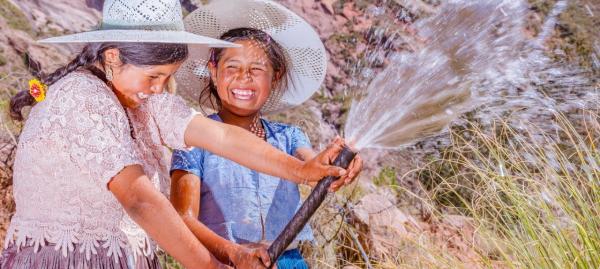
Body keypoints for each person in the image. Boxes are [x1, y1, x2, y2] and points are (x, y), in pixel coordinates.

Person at [1, 0, 348, 268]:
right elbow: (140, 200)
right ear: (112, 57)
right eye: (153, 76)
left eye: (167, 77)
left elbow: (222, 137)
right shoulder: (81, 99)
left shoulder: (141, 99)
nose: (158, 88)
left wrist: (301, 170)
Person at [170, 1, 363, 268]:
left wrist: (341, 159)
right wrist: (235, 254)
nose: (244, 78)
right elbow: (183, 217)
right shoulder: (192, 140)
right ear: (213, 73)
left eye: (257, 69)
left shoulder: (290, 137)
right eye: (232, 67)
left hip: (290, 262)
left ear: (275, 76)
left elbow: (312, 165)